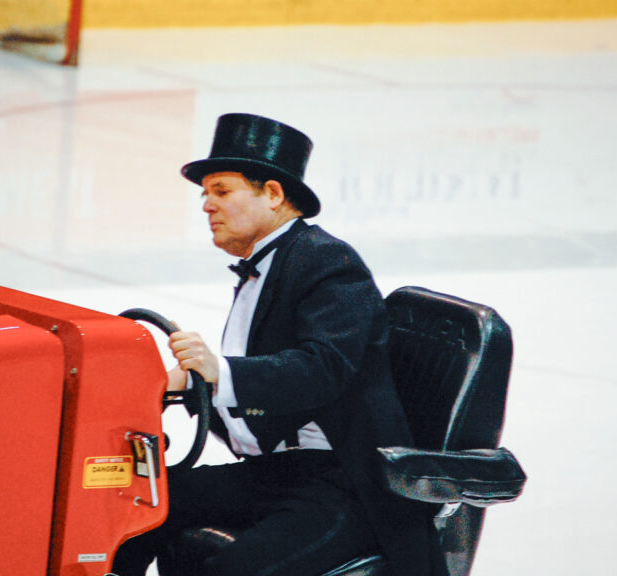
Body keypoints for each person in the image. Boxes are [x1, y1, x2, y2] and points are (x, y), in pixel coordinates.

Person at [112, 113, 445, 576]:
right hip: (279, 475)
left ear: (272, 194)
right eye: (205, 193)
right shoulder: (268, 265)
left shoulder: (328, 260)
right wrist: (185, 385)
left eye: (222, 191)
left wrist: (219, 372)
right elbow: (252, 380)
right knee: (133, 504)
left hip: (345, 483)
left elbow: (323, 368)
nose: (207, 205)